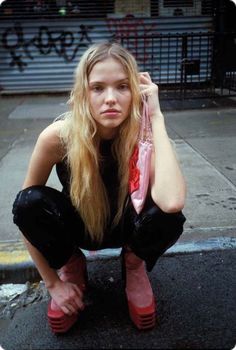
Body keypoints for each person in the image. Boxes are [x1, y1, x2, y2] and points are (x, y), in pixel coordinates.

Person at [12, 42, 186, 333]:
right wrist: (53, 284)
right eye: (97, 88)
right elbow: (23, 214)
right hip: (81, 230)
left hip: (128, 229)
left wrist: (156, 117)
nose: (110, 99)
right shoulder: (57, 137)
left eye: (122, 86)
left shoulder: (143, 136)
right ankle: (72, 266)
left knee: (168, 214)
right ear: (84, 93)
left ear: (136, 91)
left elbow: (171, 202)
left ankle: (133, 264)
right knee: (29, 202)